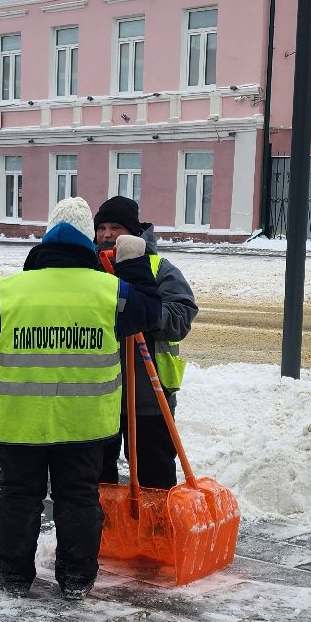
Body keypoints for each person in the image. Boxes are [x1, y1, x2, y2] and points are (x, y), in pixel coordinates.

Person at [0, 196, 161, 601]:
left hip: (18, 420)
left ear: (46, 238)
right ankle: (76, 579)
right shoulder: (110, 291)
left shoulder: (10, 291)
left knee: (18, 495)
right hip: (86, 422)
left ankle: (12, 574)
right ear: (88, 243)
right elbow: (149, 313)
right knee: (78, 497)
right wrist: (134, 264)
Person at [92, 195, 199, 489]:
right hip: (97, 398)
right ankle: (107, 536)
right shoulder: (88, 269)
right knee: (97, 484)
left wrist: (148, 314)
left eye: (116, 227)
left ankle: (157, 535)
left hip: (151, 399)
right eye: (102, 227)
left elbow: (182, 316)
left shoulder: (158, 268)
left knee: (156, 484)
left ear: (134, 233)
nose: (107, 234)